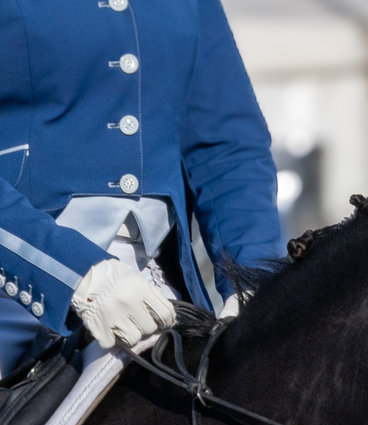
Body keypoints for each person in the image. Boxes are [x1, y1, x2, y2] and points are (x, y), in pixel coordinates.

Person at [0, 0, 283, 378]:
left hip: (160, 289)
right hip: (17, 292)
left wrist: (253, 284)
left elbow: (226, 146)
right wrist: (76, 276)